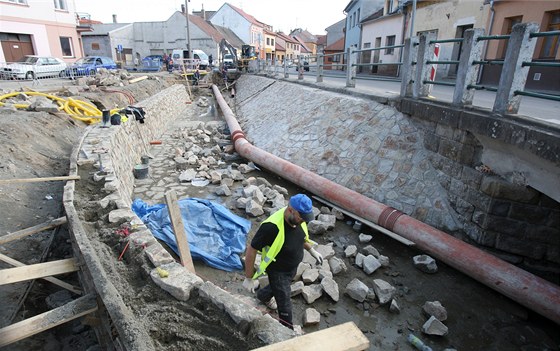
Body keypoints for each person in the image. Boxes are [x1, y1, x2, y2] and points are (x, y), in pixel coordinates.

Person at [243, 194, 323, 330]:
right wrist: (249, 277)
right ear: (291, 210)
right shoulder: (271, 227)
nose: (303, 221)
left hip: (292, 267)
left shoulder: (298, 221)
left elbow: (300, 237)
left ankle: (263, 295)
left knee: (280, 288)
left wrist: (312, 250)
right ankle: (287, 331)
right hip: (278, 271)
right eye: (301, 217)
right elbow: (252, 250)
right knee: (285, 304)